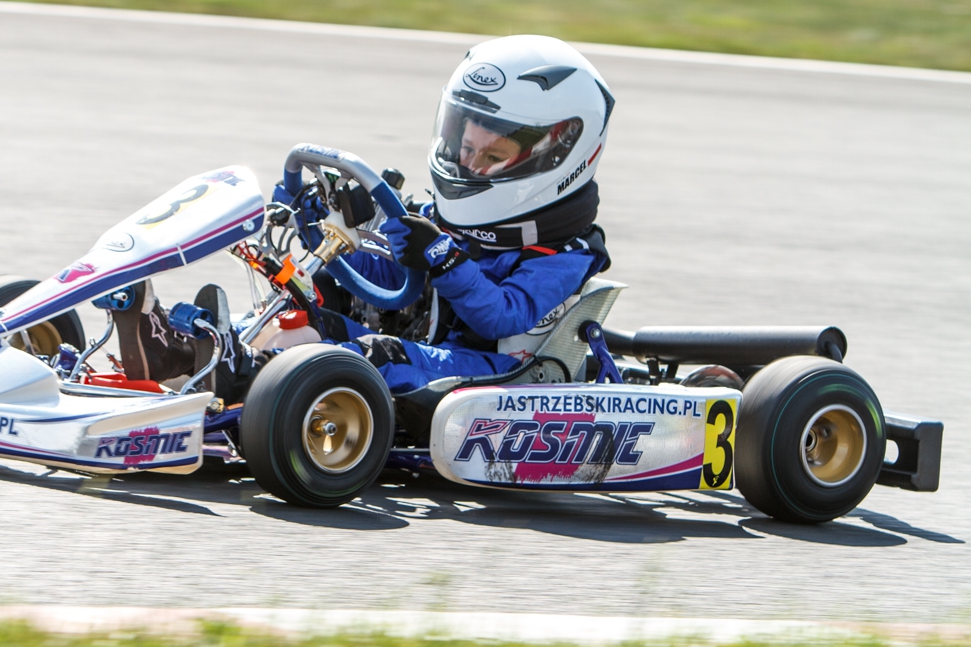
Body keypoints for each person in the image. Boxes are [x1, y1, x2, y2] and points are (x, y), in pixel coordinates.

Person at [110, 34, 616, 399]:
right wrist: (349, 239)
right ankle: (196, 351)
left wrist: (443, 258)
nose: (467, 163)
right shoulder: (448, 218)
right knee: (321, 294)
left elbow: (502, 316)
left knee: (376, 354)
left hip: (492, 372)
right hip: (427, 337)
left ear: (559, 155)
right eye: (464, 142)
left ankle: (247, 379)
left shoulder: (562, 254)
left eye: (491, 153)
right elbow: (400, 277)